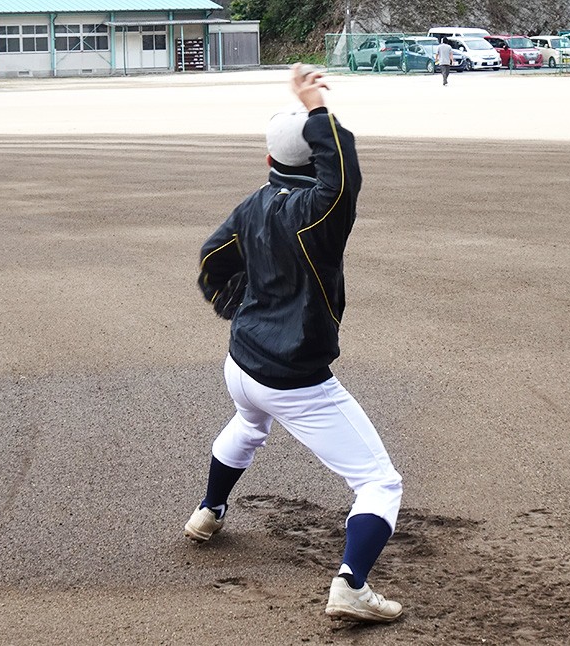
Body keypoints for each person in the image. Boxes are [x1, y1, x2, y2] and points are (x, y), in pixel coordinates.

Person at [184, 63, 404, 623]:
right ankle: (352, 586)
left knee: (248, 425)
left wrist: (237, 307)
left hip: (242, 362)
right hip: (293, 376)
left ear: (269, 161)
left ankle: (209, 510)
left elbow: (213, 259)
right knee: (379, 482)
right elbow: (342, 178)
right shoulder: (317, 216)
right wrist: (318, 111)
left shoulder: (254, 204)